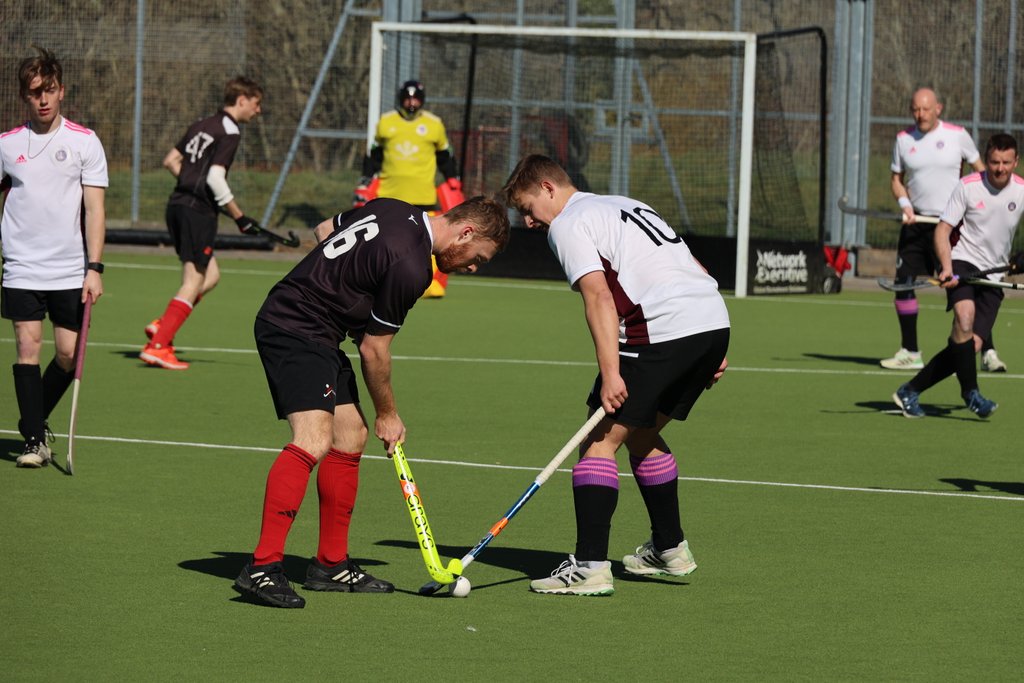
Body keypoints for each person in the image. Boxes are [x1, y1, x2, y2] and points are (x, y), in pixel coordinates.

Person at [233, 195, 509, 608]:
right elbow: (374, 350)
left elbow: (325, 229)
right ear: (465, 232)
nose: (472, 267)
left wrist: (336, 289)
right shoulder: (413, 266)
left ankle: (330, 564)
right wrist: (388, 414)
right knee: (313, 438)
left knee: (350, 436)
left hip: (314, 326)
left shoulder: (394, 208)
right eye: (478, 258)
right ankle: (262, 567)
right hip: (295, 326)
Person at [501, 155, 729, 596]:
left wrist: (611, 373)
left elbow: (599, 298)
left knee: (599, 444)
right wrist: (714, 343)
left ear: (549, 187)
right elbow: (695, 267)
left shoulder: (569, 223)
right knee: (639, 434)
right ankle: (669, 549)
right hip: (710, 322)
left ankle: (589, 567)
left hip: (662, 329)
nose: (529, 222)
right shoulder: (624, 203)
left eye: (529, 208)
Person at [0, 46, 108, 468]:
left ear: (61, 91)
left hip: (68, 270)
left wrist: (94, 268)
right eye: (34, 93)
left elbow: (95, 209)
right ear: (24, 97)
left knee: (67, 353)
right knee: (27, 346)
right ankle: (33, 440)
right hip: (22, 267)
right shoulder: (7, 145)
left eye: (49, 90)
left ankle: (35, 418)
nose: (42, 99)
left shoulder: (84, 142)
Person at [893, 133, 1023, 420]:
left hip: (995, 273)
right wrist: (947, 267)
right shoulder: (968, 186)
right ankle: (972, 394)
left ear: (1016, 162)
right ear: (986, 160)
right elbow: (942, 230)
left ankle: (910, 390)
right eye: (993, 162)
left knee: (969, 346)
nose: (999, 168)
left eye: (1005, 162)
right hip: (964, 261)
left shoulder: (1022, 190)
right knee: (964, 318)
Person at [140, 76, 264, 370]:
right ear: (242, 99)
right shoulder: (230, 132)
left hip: (177, 206)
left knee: (211, 275)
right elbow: (215, 178)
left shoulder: (201, 124)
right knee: (193, 280)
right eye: (256, 104)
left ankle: (164, 325)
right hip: (197, 213)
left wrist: (191, 185)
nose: (258, 111)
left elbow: (171, 160)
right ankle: (158, 347)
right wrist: (239, 217)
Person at [882, 87, 994, 371]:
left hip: (950, 226)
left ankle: (988, 350)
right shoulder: (903, 140)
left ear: (938, 109)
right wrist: (905, 204)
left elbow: (980, 172)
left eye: (926, 109)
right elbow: (896, 179)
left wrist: (974, 207)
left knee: (965, 285)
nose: (920, 115)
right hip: (917, 224)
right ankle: (910, 351)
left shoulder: (957, 136)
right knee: (904, 282)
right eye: (915, 109)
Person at [359, 79, 462, 298]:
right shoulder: (386, 122)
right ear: (401, 99)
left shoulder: (434, 124)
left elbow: (445, 157)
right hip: (388, 195)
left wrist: (453, 178)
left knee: (427, 243)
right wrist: (366, 179)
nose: (411, 103)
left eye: (415, 99)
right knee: (384, 241)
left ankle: (429, 284)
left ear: (422, 101)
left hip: (422, 196)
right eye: (407, 98)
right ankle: (377, 280)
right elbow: (374, 156)